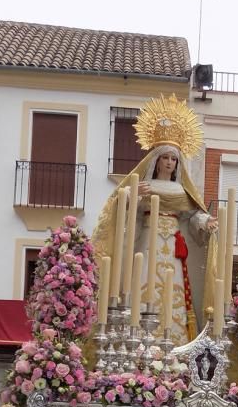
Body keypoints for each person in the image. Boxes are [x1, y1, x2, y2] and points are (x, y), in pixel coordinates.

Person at [94, 97, 219, 342]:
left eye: (174, 159)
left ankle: (175, 340)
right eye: (166, 158)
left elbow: (193, 214)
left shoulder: (183, 192)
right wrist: (131, 195)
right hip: (148, 244)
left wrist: (206, 223)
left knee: (174, 289)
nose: (170, 162)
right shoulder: (143, 185)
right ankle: (137, 338)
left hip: (172, 245)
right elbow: (121, 204)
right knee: (142, 280)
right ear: (156, 160)